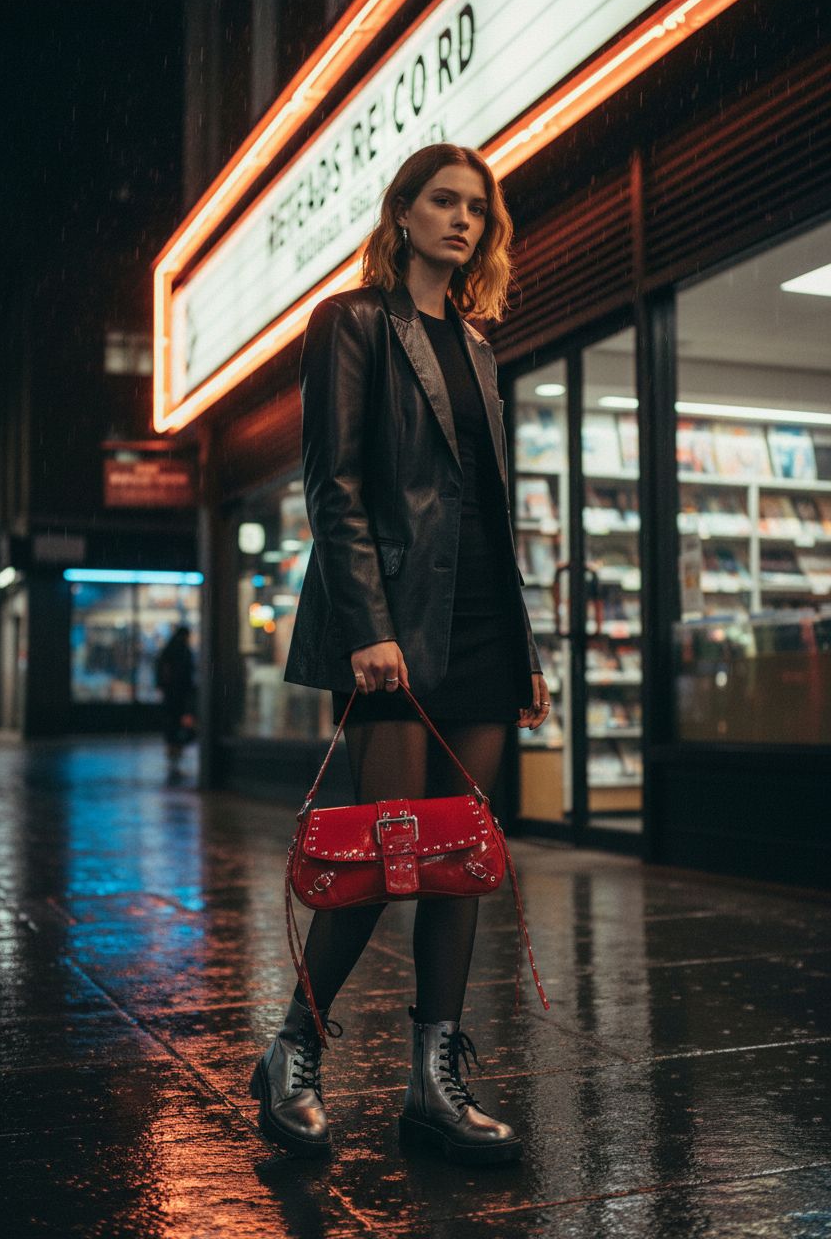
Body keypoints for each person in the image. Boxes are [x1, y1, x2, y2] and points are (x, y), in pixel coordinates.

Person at [250, 143, 551, 1164]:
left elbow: (488, 509)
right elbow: (333, 485)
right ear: (403, 213)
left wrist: (524, 643)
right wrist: (369, 625)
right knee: (386, 861)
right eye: (443, 201)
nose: (462, 220)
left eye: (477, 207)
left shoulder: (477, 342)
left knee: (461, 860)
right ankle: (293, 1048)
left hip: (478, 626)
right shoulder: (353, 324)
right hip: (393, 627)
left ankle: (432, 1082)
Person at [155, 626, 196, 773]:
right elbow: (189, 674)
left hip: (170, 693)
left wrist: (162, 685)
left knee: (170, 720)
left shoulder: (168, 650)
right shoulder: (184, 651)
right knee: (179, 720)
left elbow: (160, 670)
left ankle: (172, 745)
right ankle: (176, 746)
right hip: (180, 694)